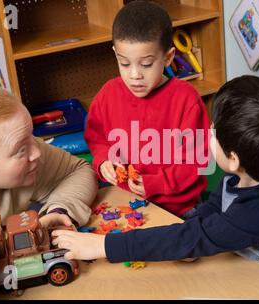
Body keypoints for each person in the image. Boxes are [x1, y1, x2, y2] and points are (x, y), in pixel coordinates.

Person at [54, 76, 259, 297]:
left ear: (234, 159)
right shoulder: (255, 171)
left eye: (214, 131)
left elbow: (196, 236)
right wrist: (187, 232)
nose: (208, 131)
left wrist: (103, 245)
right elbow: (215, 208)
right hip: (257, 273)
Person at [84, 1, 210, 216]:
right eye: (125, 63)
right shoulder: (108, 94)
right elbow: (96, 137)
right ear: (115, 54)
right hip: (126, 202)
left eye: (146, 64)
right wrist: (104, 160)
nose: (135, 75)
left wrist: (158, 183)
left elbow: (200, 161)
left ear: (168, 58)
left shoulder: (186, 99)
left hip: (178, 208)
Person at [0, 85, 98, 240]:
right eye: (20, 150)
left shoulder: (26, 151)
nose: (37, 152)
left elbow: (77, 170)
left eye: (31, 135)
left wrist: (60, 210)